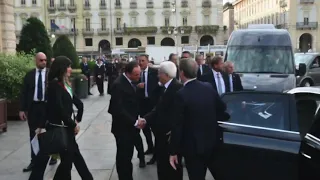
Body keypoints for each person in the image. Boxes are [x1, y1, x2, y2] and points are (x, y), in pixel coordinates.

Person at [29, 56, 93, 180]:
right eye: (68, 66)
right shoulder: (55, 85)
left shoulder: (65, 84)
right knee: (50, 160)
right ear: (62, 68)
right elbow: (59, 109)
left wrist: (78, 117)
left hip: (65, 127)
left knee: (71, 158)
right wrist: (73, 124)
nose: (70, 69)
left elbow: (77, 102)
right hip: (57, 128)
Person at [169, 58, 230, 180]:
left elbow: (177, 125)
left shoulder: (181, 94)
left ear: (181, 73)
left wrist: (173, 152)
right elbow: (222, 108)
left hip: (193, 148)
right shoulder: (208, 87)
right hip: (212, 142)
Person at [139, 61, 183, 180]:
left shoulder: (177, 89)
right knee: (162, 165)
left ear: (167, 75)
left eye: (160, 73)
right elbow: (158, 108)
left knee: (172, 167)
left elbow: (178, 116)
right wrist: (145, 119)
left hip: (170, 136)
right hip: (161, 133)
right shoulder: (162, 88)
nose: (158, 75)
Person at [19, 52, 57, 172]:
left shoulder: (50, 75)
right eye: (41, 60)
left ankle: (52, 156)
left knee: (49, 133)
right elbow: (24, 93)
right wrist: (22, 109)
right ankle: (33, 161)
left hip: (47, 108)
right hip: (34, 108)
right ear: (36, 61)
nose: (44, 62)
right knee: (33, 134)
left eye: (45, 60)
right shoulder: (29, 75)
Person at [108, 61, 145, 180]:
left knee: (128, 155)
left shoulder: (129, 82)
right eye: (136, 75)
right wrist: (134, 122)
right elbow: (117, 109)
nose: (138, 77)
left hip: (129, 126)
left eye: (139, 74)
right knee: (123, 157)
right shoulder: (118, 85)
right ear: (128, 73)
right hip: (122, 128)